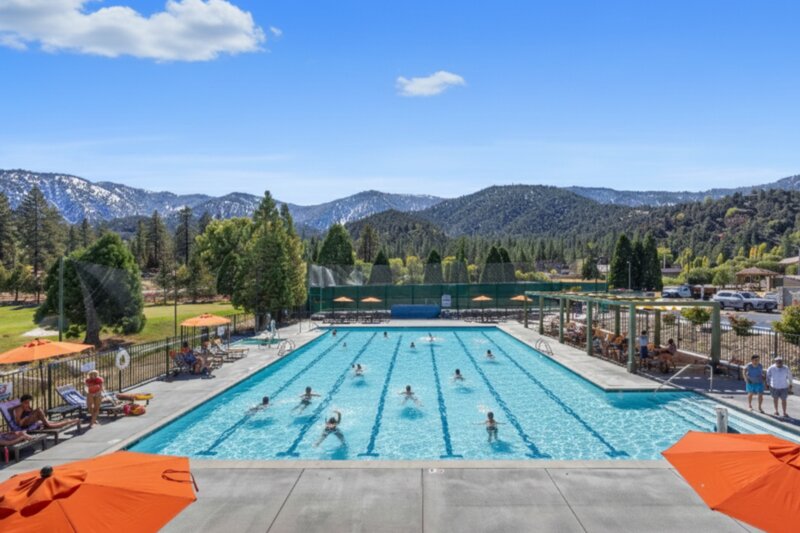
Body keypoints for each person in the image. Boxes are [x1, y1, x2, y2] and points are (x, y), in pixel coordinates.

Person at [12, 395, 77, 430]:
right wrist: (25, 418)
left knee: (51, 422)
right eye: (26, 403)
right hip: (25, 425)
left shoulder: (28, 408)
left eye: (28, 402)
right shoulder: (19, 409)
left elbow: (34, 417)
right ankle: (67, 421)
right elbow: (19, 424)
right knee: (39, 410)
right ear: (22, 402)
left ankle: (68, 421)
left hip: (32, 423)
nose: (28, 404)